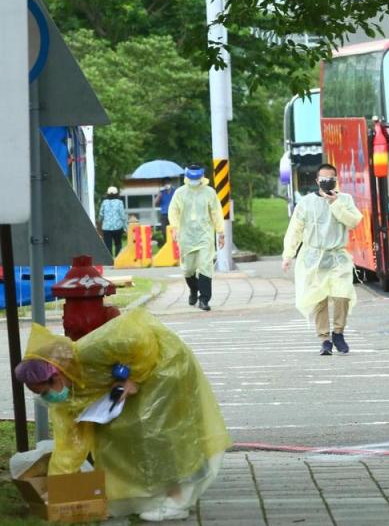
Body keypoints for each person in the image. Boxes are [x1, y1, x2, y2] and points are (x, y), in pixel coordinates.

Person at [13, 310, 231, 522]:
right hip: (138, 381)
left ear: (56, 374)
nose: (46, 397)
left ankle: (178, 501)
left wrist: (132, 376)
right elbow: (69, 444)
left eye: (43, 391)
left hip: (165, 366)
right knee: (118, 439)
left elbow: (137, 336)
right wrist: (58, 490)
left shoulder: (91, 350)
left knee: (160, 433)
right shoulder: (68, 398)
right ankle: (144, 497)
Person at [282, 164, 363, 355]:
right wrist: (288, 254)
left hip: (338, 256)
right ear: (317, 181)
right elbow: (295, 229)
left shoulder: (345, 199)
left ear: (336, 180)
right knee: (319, 299)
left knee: (342, 294)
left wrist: (335, 203)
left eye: (331, 179)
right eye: (323, 179)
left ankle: (338, 332)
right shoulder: (306, 203)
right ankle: (324, 339)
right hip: (313, 257)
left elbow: (354, 221)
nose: (327, 182)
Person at [168, 164, 224, 311]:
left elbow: (216, 212)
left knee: (206, 266)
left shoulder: (209, 192)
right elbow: (173, 211)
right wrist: (174, 228)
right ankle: (193, 290)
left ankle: (204, 299)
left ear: (202, 177)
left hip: (204, 235)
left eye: (197, 178)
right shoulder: (180, 193)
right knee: (188, 269)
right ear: (187, 177)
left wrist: (221, 232)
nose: (194, 181)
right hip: (186, 236)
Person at [98, 186, 126, 259]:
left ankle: (109, 260)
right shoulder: (120, 202)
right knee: (118, 243)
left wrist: (99, 223)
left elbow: (101, 215)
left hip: (106, 227)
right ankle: (118, 258)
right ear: (117, 194)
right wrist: (126, 227)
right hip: (117, 227)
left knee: (108, 245)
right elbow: (122, 216)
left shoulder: (104, 202)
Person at [154, 177, 176, 245]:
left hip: (173, 214)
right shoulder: (161, 193)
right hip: (164, 214)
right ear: (163, 184)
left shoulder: (174, 192)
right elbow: (155, 203)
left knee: (174, 230)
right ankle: (167, 244)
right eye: (165, 183)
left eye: (168, 182)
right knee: (164, 231)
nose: (167, 184)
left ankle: (174, 243)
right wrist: (158, 196)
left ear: (170, 183)